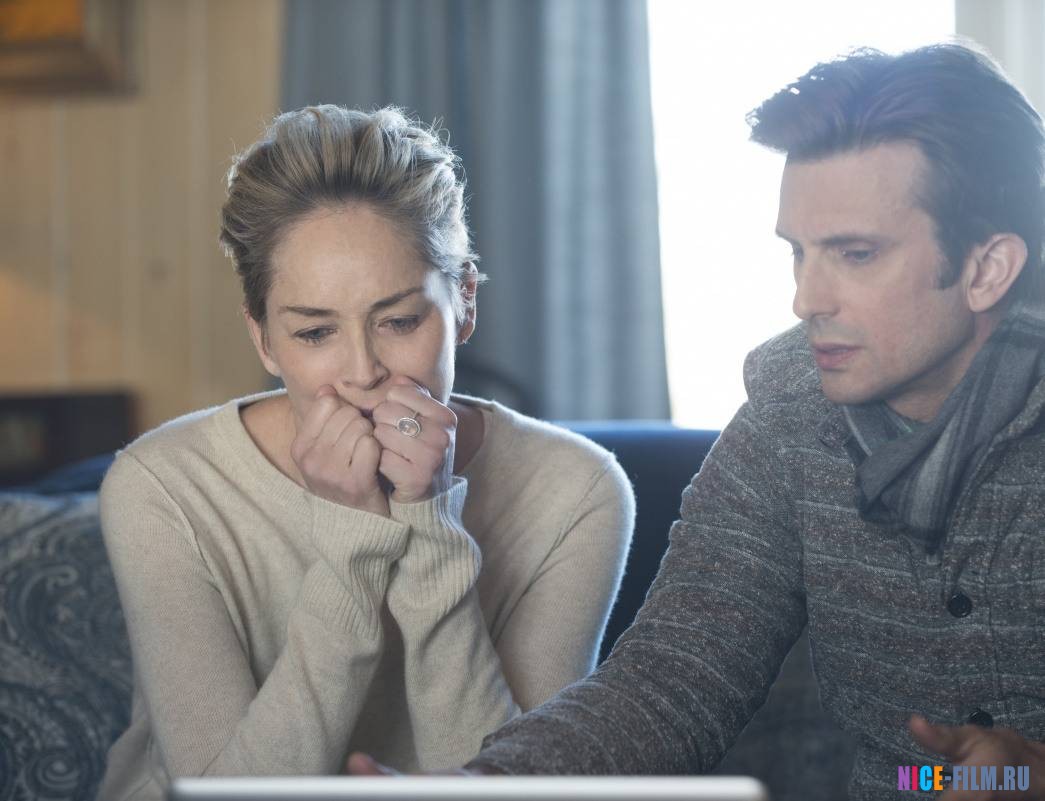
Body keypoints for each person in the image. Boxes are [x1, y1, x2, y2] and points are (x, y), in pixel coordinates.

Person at [350, 44, 1045, 800]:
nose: (806, 300)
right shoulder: (791, 414)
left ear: (987, 270)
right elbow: (674, 676)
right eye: (798, 253)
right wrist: (484, 785)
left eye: (855, 254)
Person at [95, 105, 634, 800]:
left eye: (400, 320)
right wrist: (353, 547)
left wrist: (428, 521)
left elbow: (511, 790)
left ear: (465, 302)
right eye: (315, 332)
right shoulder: (163, 487)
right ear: (263, 339)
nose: (362, 372)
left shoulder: (577, 490)